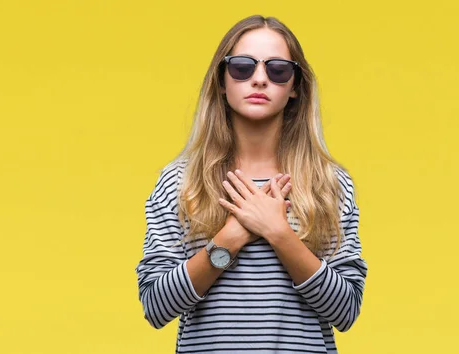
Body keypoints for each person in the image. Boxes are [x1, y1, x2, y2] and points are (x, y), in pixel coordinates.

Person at [135, 15, 368, 354]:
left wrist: (279, 233)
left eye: (278, 69)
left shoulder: (328, 185)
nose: (259, 79)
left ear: (295, 87)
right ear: (221, 80)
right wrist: (228, 241)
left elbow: (345, 311)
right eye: (242, 67)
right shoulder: (180, 183)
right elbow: (155, 306)